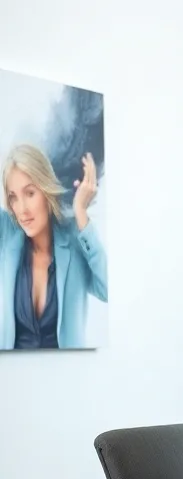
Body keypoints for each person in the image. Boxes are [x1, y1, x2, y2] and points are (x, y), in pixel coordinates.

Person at [0, 144, 106, 349]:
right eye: (14, 197)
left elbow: (108, 289)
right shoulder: (6, 233)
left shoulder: (76, 239)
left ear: (46, 189)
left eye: (30, 193)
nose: (22, 209)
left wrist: (81, 213)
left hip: (68, 368)